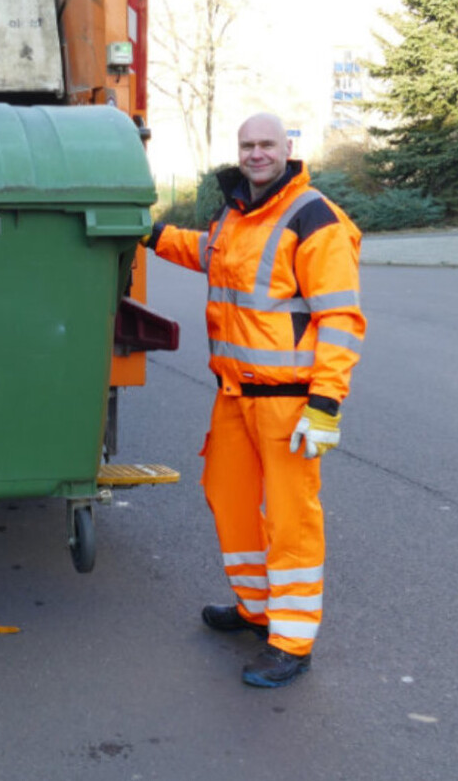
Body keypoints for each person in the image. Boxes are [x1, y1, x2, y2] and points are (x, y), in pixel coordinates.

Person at [145, 113, 365, 688]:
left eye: (267, 144)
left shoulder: (314, 217)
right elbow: (210, 254)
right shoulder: (238, 211)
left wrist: (325, 404)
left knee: (291, 520)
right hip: (235, 395)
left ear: (288, 148)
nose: (256, 153)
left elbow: (340, 317)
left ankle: (291, 640)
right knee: (229, 498)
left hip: (290, 403)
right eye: (248, 145)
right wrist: (150, 233)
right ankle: (256, 609)